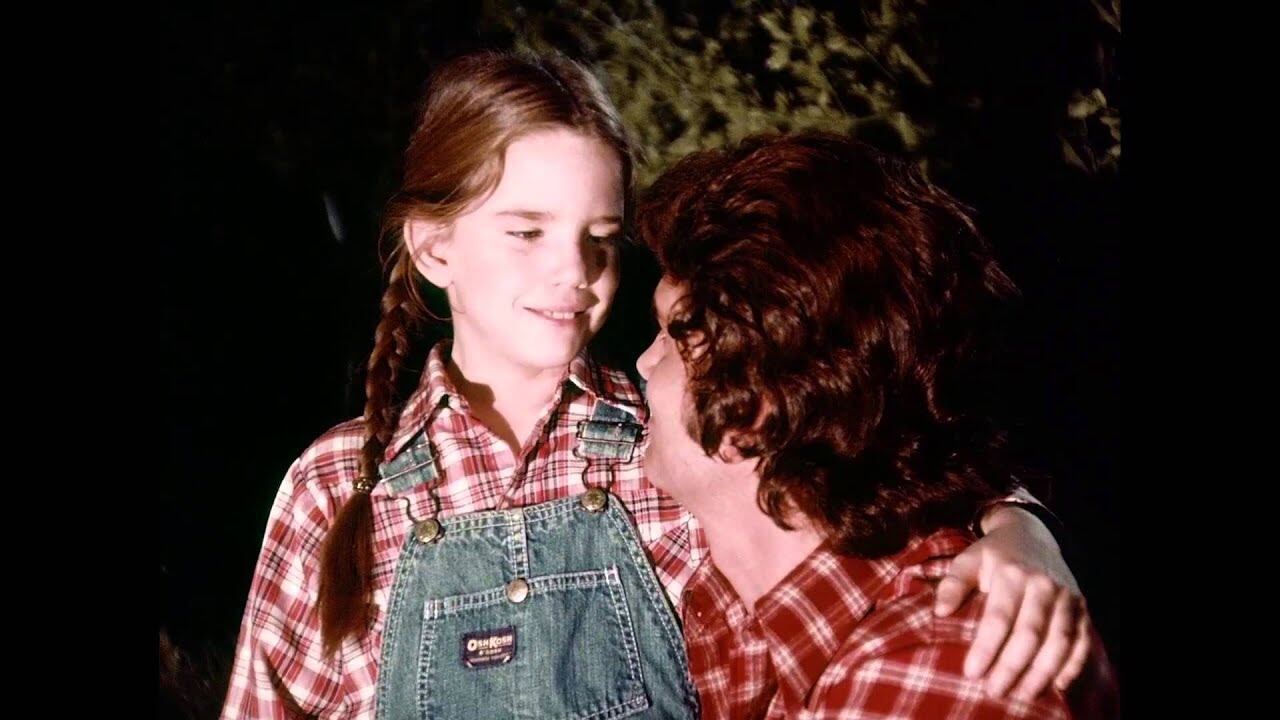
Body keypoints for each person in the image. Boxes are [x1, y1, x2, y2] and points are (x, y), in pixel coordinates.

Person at [223, 53, 1090, 719]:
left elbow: (878, 472)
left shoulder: (677, 444)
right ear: (434, 247)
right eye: (527, 232)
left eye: (601, 237)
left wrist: (1019, 529)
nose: (573, 270)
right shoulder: (337, 485)